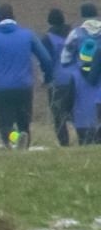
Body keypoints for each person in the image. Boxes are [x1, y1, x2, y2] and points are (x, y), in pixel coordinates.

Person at [0, 3, 53, 149]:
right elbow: (46, 59)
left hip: (2, 88)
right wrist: (47, 76)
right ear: (14, 17)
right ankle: (23, 147)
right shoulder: (28, 35)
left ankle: (16, 138)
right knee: (24, 124)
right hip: (24, 86)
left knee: (5, 126)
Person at [46, 8, 73, 146]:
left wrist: (46, 79)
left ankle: (64, 143)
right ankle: (85, 139)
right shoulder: (73, 34)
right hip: (75, 79)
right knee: (76, 112)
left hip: (57, 82)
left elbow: (46, 61)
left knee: (58, 116)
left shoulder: (48, 38)